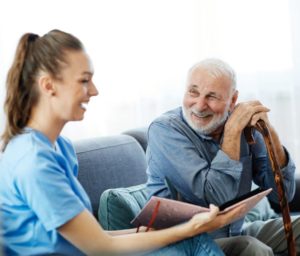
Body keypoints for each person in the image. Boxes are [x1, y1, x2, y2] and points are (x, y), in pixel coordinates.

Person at [0, 30, 257, 256]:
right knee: (193, 242)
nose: (94, 90)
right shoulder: (33, 162)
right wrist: (192, 226)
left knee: (194, 240)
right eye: (84, 80)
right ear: (48, 86)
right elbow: (100, 248)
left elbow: (92, 239)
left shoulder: (61, 149)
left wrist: (139, 233)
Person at [145, 58, 300, 255]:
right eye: (193, 92)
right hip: (187, 245)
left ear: (233, 100)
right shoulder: (165, 130)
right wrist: (232, 132)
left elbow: (283, 195)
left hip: (234, 232)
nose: (200, 105)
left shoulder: (244, 125)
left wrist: (268, 130)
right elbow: (215, 198)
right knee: (252, 248)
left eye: (212, 96)